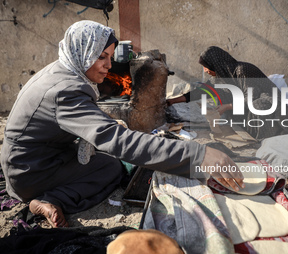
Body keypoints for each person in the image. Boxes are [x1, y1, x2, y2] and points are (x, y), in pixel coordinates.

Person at [0, 21, 244, 228]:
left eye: (109, 57)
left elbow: (80, 120)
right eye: (101, 57)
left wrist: (106, 123)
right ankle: (47, 199)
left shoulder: (63, 70)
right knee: (111, 168)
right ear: (83, 51)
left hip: (37, 157)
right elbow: (119, 141)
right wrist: (199, 154)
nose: (108, 65)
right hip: (29, 172)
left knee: (107, 160)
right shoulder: (64, 91)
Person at [167, 46, 288, 139]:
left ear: (216, 64)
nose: (205, 70)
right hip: (250, 112)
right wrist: (172, 101)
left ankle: (275, 132)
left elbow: (253, 96)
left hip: (271, 108)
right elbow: (202, 91)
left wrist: (228, 106)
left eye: (206, 66)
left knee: (259, 104)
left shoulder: (243, 70)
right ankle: (254, 132)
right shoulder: (220, 77)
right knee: (221, 95)